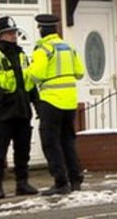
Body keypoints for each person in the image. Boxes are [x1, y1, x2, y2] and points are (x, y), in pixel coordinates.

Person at [0, 16, 39, 199]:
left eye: (15, 32)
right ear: (1, 35)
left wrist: (37, 104)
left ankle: (22, 182)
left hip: (22, 110)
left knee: (23, 150)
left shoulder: (22, 55)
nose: (14, 36)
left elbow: (29, 83)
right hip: (4, 112)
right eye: (10, 33)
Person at [27, 14, 85, 196]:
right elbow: (80, 72)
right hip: (70, 102)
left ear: (42, 30)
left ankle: (60, 181)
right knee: (67, 140)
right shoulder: (68, 47)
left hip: (51, 101)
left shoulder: (42, 49)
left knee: (51, 142)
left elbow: (36, 75)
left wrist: (26, 76)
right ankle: (75, 179)